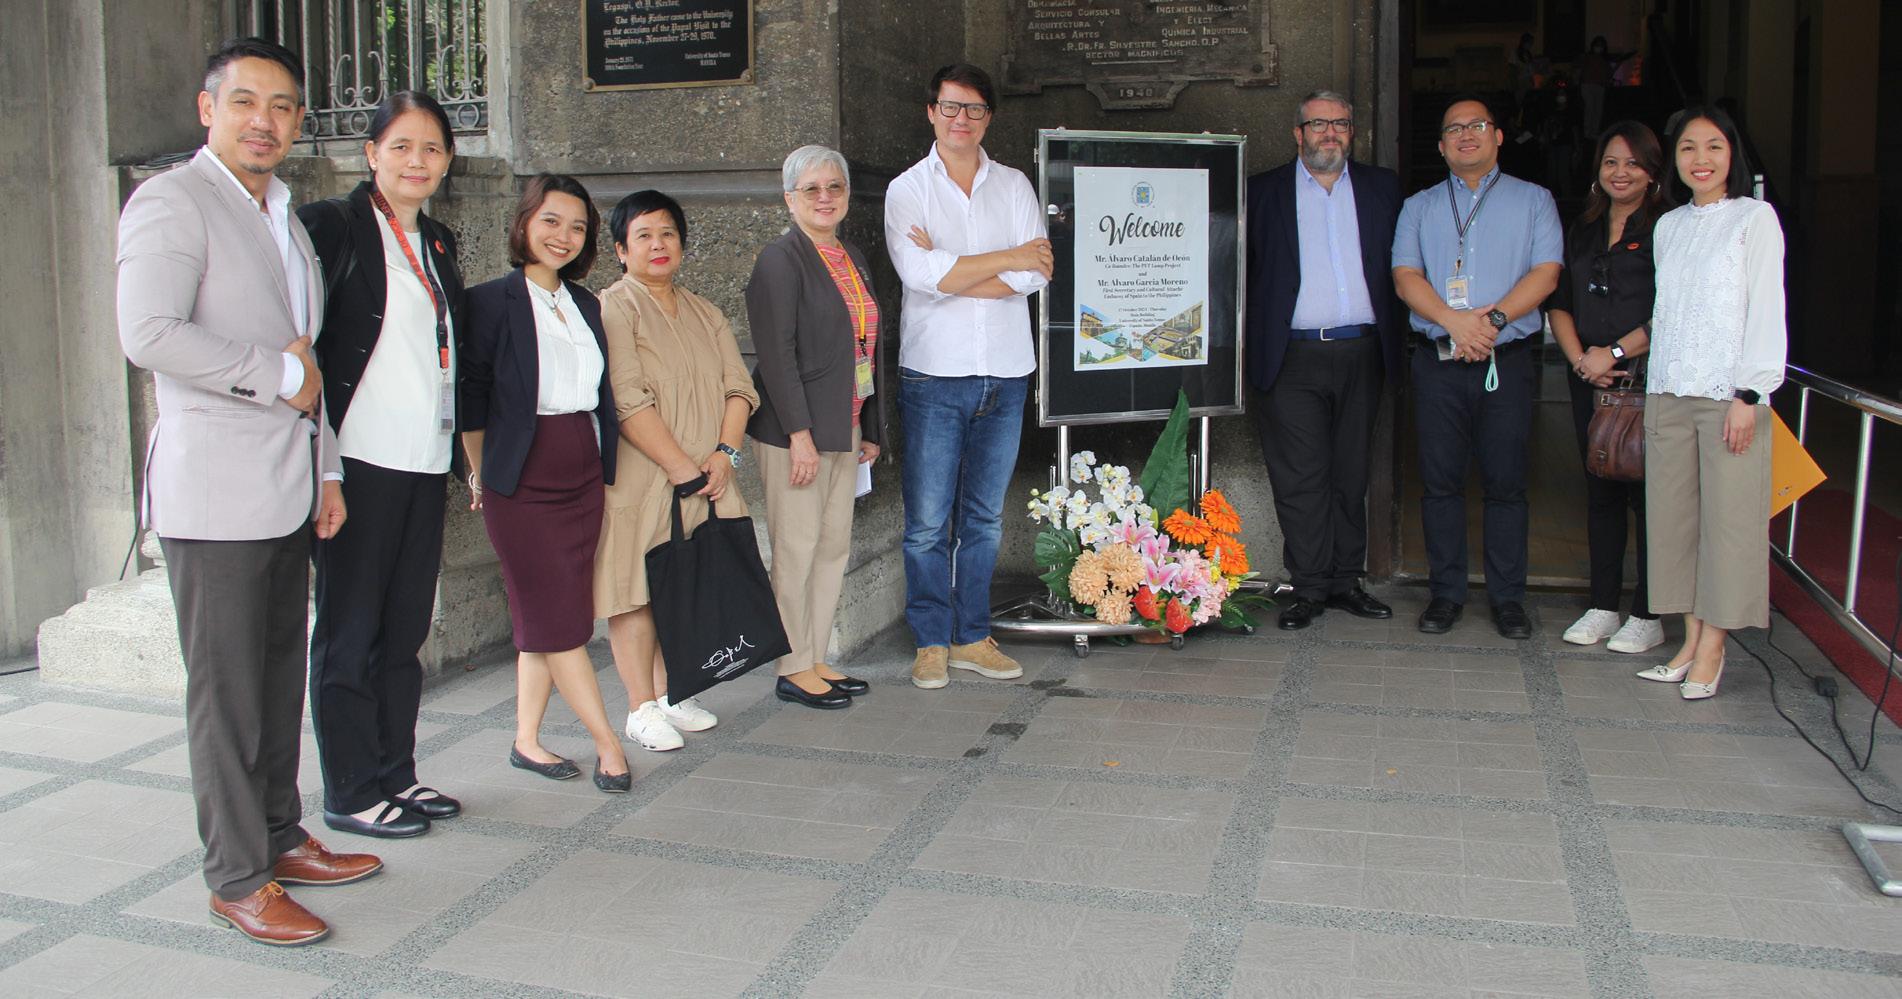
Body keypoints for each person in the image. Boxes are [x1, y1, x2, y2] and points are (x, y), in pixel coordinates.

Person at [116, 36, 379, 948]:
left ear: (299, 122)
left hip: (286, 484)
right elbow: (149, 332)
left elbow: (311, 362)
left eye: (282, 107)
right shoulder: (172, 201)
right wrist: (275, 375)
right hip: (215, 493)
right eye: (245, 102)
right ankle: (236, 875)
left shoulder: (284, 215)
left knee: (272, 681)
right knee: (226, 697)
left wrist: (328, 466)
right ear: (207, 109)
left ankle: (278, 834)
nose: (264, 121)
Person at [298, 91, 464, 839]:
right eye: (401, 146)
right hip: (356, 463)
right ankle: (350, 789)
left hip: (422, 462)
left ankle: (396, 771)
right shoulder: (332, 227)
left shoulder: (439, 242)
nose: (416, 161)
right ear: (370, 154)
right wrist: (321, 465)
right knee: (350, 631)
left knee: (403, 632)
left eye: (431, 148)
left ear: (447, 161)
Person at [885, 63, 1053, 690]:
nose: (962, 119)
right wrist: (1005, 258)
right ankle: (931, 639)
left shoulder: (1013, 185)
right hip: (935, 374)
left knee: (983, 518)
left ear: (988, 117)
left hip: (1006, 372)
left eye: (975, 109)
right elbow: (919, 274)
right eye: (951, 107)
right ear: (932, 112)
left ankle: (972, 636)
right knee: (928, 522)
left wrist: (954, 269)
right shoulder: (907, 189)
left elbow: (1036, 274)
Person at [461, 174, 631, 791]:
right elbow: (471, 400)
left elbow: (600, 395)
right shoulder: (488, 302)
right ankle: (608, 743)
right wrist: (478, 472)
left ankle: (526, 740)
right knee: (561, 624)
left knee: (545, 617)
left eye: (578, 227)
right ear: (525, 222)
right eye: (551, 221)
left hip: (581, 471)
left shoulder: (587, 304)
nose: (564, 236)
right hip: (521, 479)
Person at [1393, 94, 1563, 639]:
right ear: (1442, 146)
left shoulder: (1534, 200)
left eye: (1478, 125)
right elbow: (1406, 277)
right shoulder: (1418, 206)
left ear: (1498, 136)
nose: (1466, 135)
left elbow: (1546, 273)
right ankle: (1446, 594)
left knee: (1506, 484)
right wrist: (1453, 322)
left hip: (1504, 363)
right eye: (1454, 129)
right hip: (1438, 364)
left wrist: (1489, 322)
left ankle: (1508, 599)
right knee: (1439, 483)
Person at [593, 190, 756, 747]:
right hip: (644, 477)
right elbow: (627, 400)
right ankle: (639, 707)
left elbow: (739, 388)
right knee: (635, 590)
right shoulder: (615, 307)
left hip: (705, 476)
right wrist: (683, 467)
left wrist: (725, 455)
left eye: (667, 233)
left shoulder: (705, 311)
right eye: (643, 235)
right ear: (621, 250)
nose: (658, 244)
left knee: (682, 584)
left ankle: (671, 692)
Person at [1636, 106, 1785, 700]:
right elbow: (1667, 311)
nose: (1701, 159)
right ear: (1674, 159)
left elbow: (1767, 306)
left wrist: (1751, 392)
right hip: (1668, 388)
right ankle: (1689, 639)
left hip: (1728, 395)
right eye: (1688, 148)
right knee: (1673, 524)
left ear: (1733, 154)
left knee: (1728, 525)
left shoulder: (1755, 218)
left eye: (1714, 147)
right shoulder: (1669, 225)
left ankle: (1714, 648)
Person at [1243, 90, 1403, 631]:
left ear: (1352, 132)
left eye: (1340, 124)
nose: (1329, 133)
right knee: (1300, 477)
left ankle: (1345, 581)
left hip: (1363, 350)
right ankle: (1309, 586)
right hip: (1290, 354)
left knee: (1351, 472)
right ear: (1298, 133)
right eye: (1318, 124)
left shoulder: (1383, 188)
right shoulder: (1261, 191)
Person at [749, 145, 887, 709]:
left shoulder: (851, 255)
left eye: (835, 187)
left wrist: (871, 426)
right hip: (796, 433)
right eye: (812, 189)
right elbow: (775, 355)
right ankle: (792, 666)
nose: (825, 197)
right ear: (790, 198)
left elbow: (867, 347)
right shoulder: (779, 260)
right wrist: (799, 435)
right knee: (797, 550)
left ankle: (816, 657)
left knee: (832, 548)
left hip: (844, 425)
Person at [1547, 120, 1669, 654]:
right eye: (1611, 162)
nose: (1621, 172)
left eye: (1634, 163)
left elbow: (1672, 310)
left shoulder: (1667, 228)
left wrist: (1613, 353)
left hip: (1643, 380)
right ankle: (1603, 605)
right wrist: (1582, 361)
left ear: (1653, 172)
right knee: (1600, 489)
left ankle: (1648, 613)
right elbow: (1559, 302)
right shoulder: (1585, 228)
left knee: (1648, 497)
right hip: (1590, 381)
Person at [1578, 37, 1613, 138]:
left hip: (1600, 86)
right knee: (1590, 108)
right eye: (1597, 45)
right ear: (1593, 46)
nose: (1599, 48)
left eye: (1601, 46)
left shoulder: (1604, 60)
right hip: (1587, 85)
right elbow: (1580, 70)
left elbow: (1609, 74)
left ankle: (1594, 132)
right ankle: (1587, 132)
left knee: (1598, 110)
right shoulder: (1587, 57)